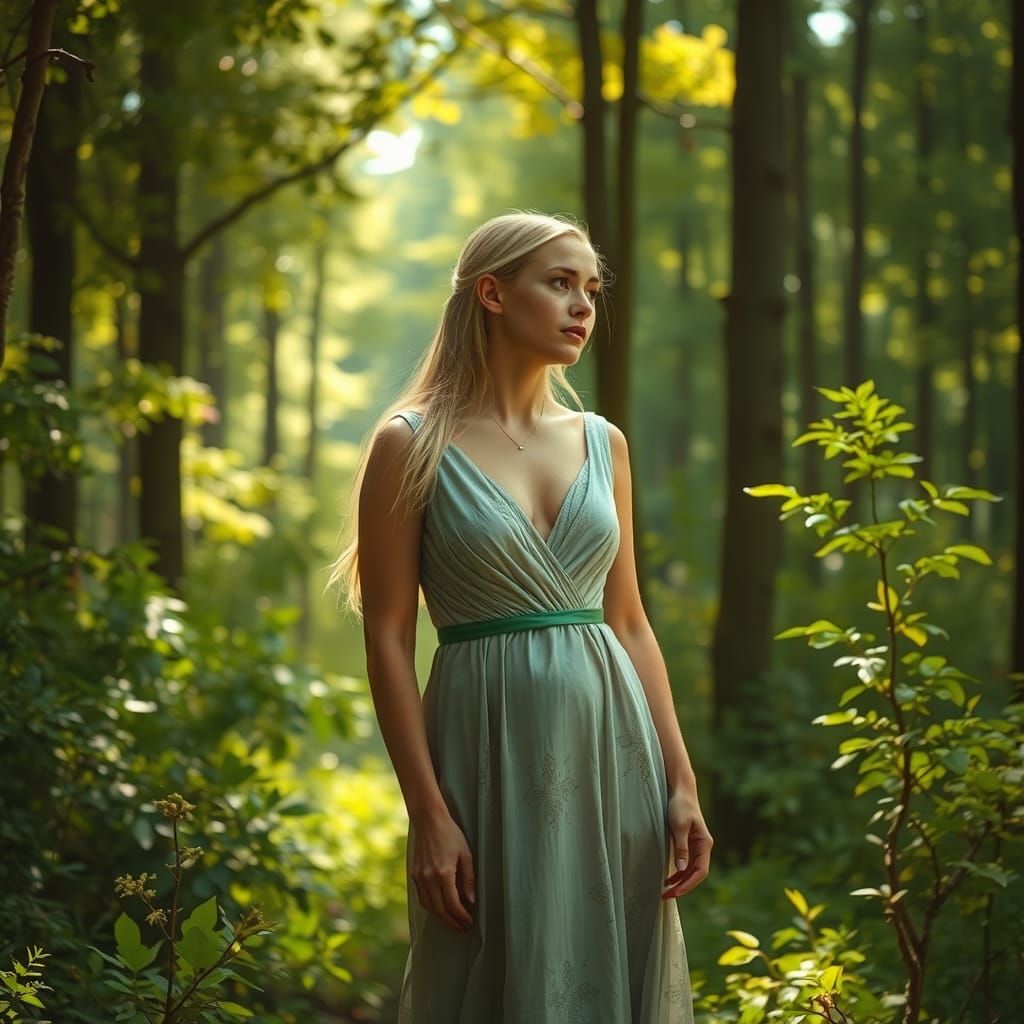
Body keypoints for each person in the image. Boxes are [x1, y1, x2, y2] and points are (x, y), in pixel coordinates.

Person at [329, 211, 712, 1023]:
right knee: (493, 976)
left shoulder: (603, 443)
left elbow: (631, 623)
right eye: (561, 283)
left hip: (615, 754)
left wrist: (681, 781)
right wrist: (427, 815)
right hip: (483, 752)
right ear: (493, 293)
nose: (583, 306)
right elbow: (390, 639)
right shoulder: (410, 443)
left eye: (592, 290)